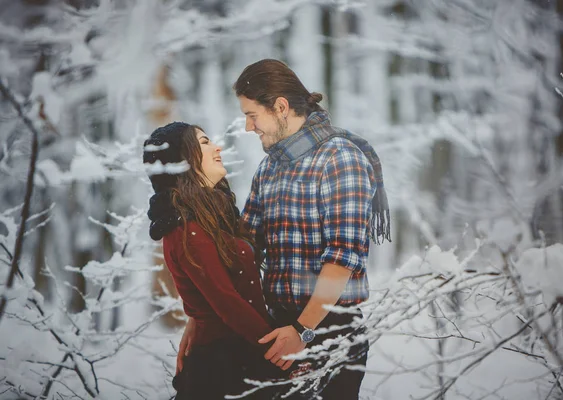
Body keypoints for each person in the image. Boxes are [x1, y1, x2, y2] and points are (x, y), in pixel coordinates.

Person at [234, 59, 391, 399]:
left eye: (252, 114)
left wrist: (302, 330)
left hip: (328, 332)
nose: (248, 127)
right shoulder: (269, 169)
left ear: (280, 107)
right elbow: (243, 248)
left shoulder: (340, 159)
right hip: (279, 328)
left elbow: (342, 258)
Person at [143, 122, 288, 400]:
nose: (217, 147)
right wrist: (278, 351)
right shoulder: (187, 229)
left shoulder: (210, 215)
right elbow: (226, 303)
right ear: (182, 160)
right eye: (205, 142)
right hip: (223, 367)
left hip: (241, 354)